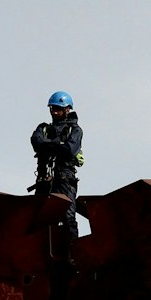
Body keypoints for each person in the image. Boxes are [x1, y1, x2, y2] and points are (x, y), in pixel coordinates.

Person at [31, 91, 86, 238]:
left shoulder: (75, 130)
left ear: (67, 109)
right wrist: (58, 145)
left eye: (58, 109)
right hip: (44, 181)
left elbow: (69, 150)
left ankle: (73, 254)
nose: (54, 112)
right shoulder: (43, 128)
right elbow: (36, 142)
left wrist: (48, 145)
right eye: (52, 108)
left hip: (65, 181)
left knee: (68, 218)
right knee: (39, 219)